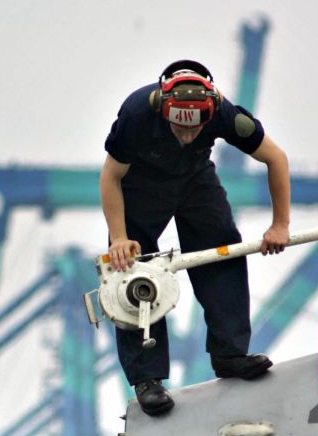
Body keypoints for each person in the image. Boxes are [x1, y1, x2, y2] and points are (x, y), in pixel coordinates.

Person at [101, 59, 292, 416]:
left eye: (195, 129)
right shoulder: (137, 113)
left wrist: (280, 225)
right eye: (179, 128)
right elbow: (110, 177)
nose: (187, 135)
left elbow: (276, 158)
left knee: (223, 251)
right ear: (164, 110)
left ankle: (230, 354)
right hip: (139, 187)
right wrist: (118, 238)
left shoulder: (224, 113)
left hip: (195, 181)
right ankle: (148, 379)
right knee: (134, 273)